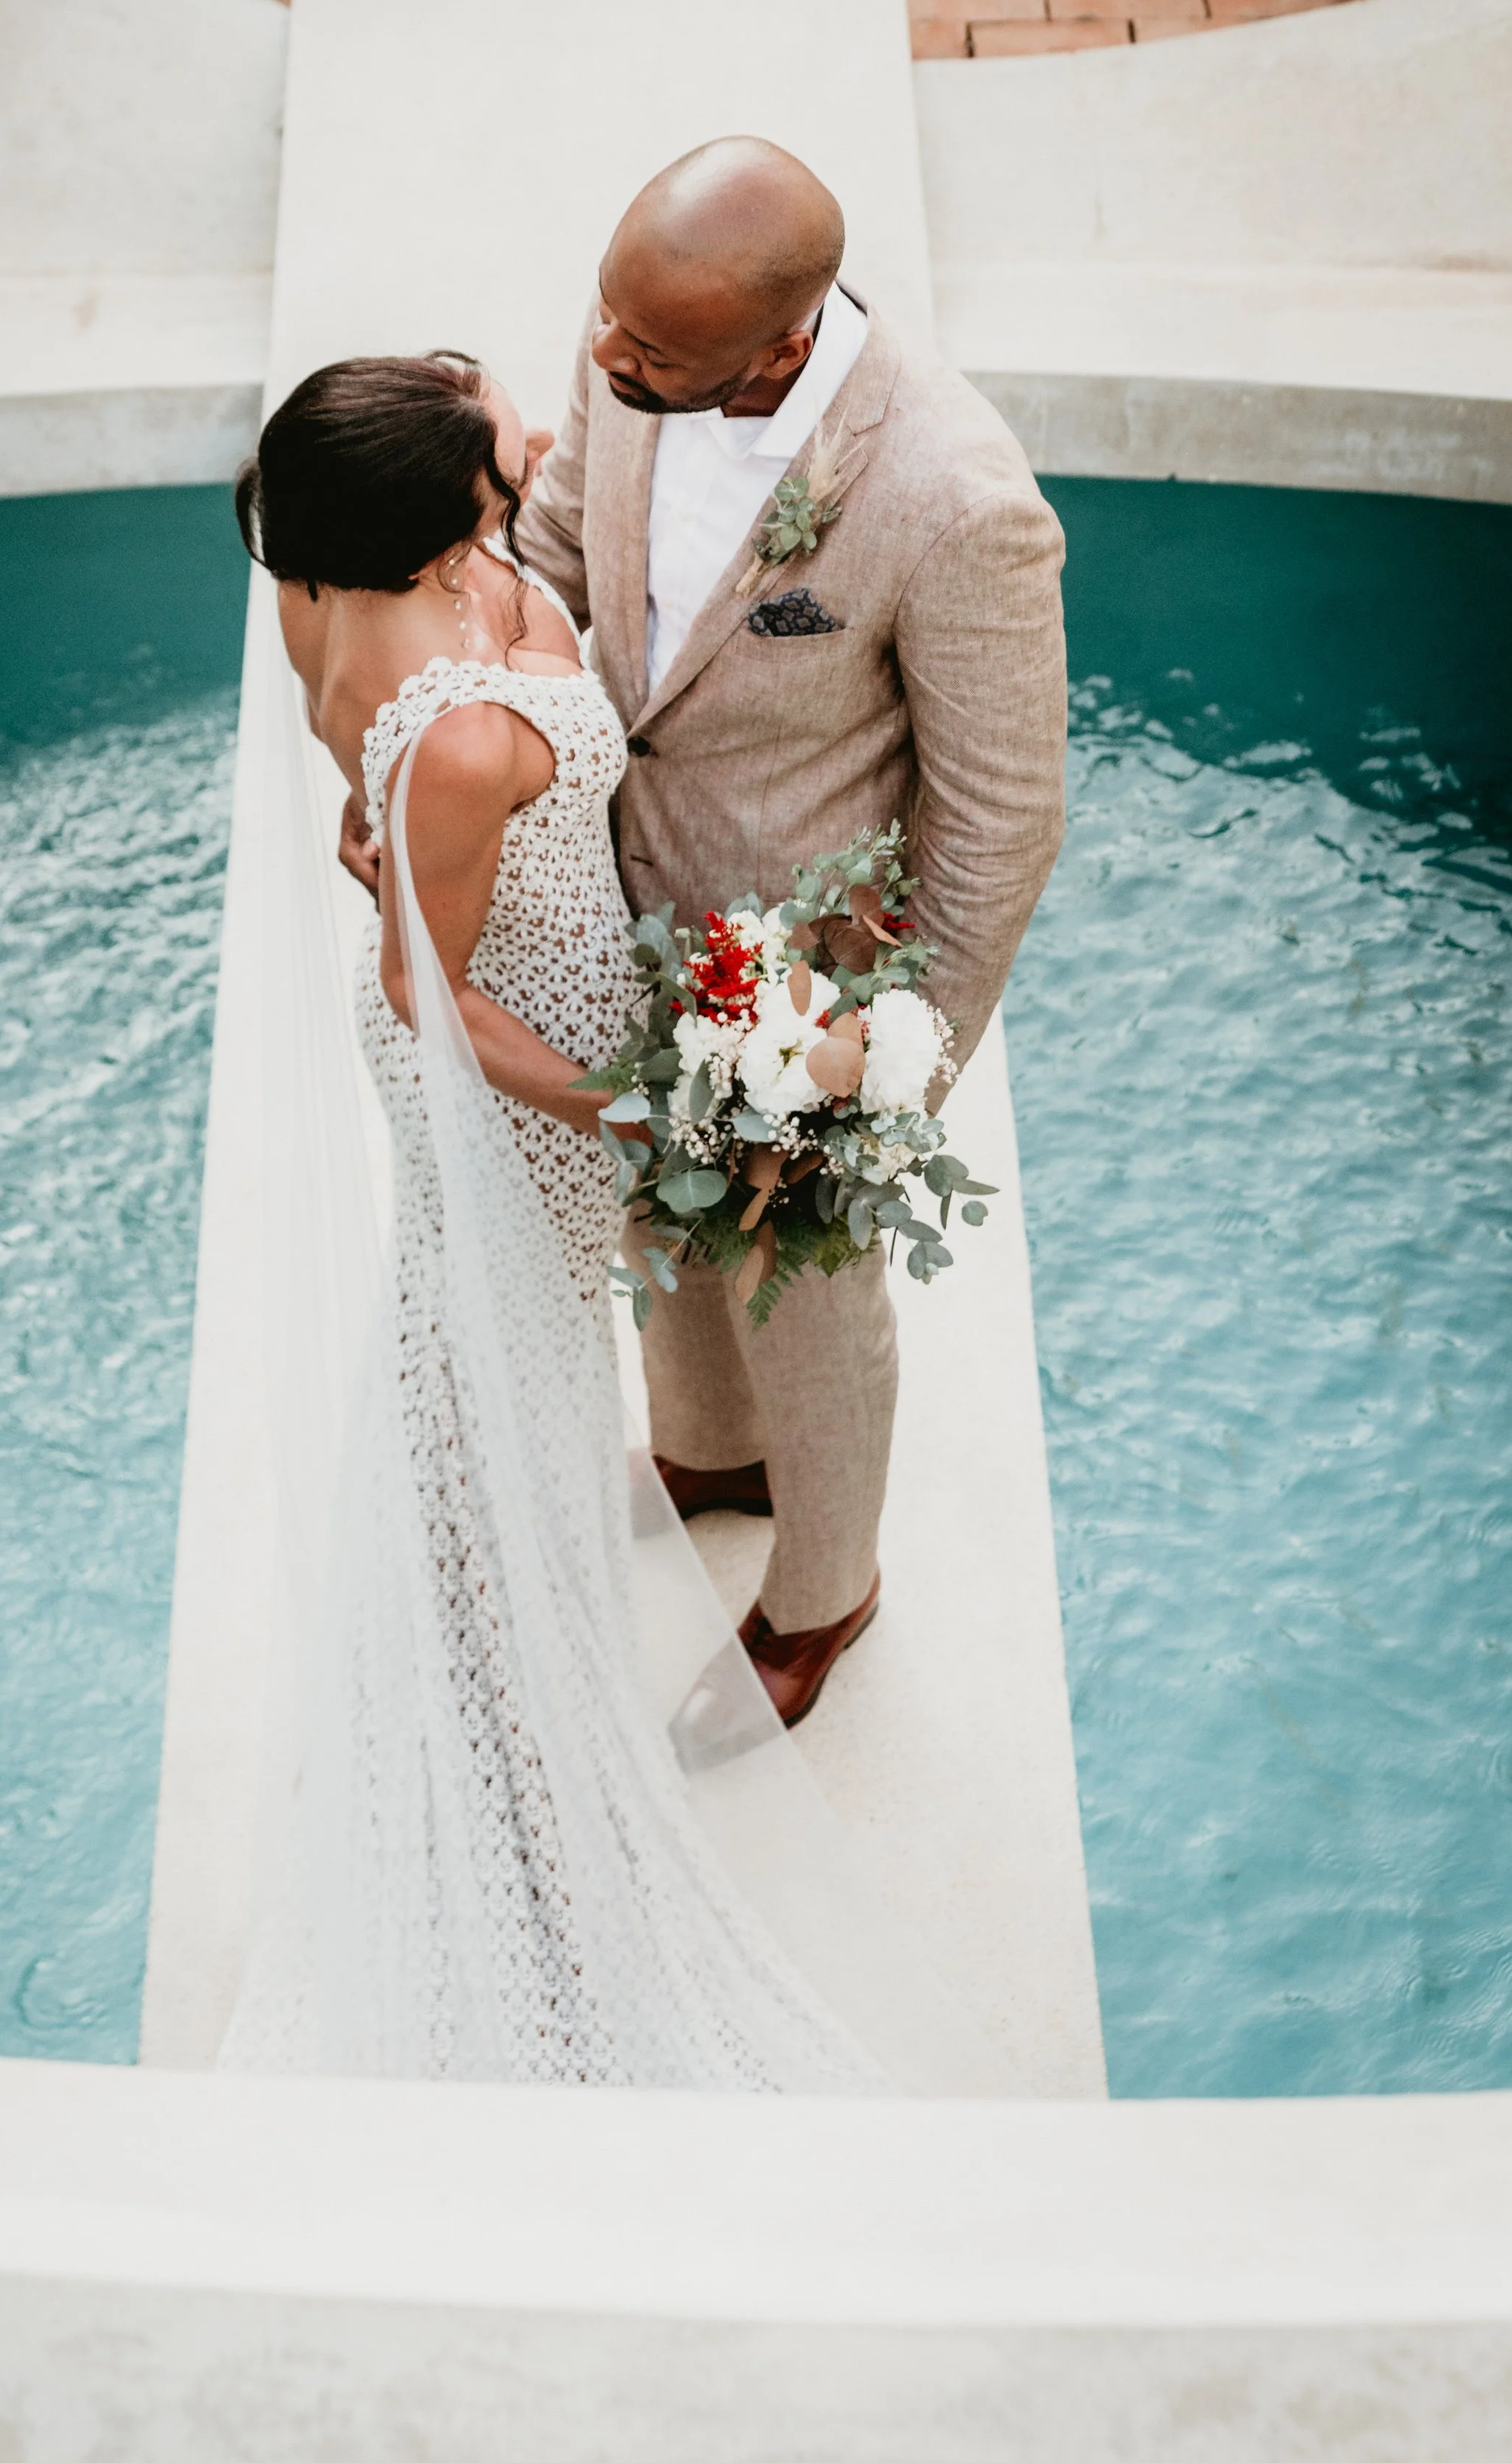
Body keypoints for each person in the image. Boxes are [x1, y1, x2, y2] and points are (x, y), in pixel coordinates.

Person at [222, 349, 1002, 2092]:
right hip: (513, 1089)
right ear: (437, 539)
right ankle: (484, 1712)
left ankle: (495, 1577)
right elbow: (427, 1003)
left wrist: (392, 847)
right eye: (500, 441)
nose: (536, 431)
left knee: (514, 1365)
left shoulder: (366, 583)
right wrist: (640, 1102)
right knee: (479, 1370)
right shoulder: (462, 726)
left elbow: (377, 815)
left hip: (561, 1002)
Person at [505, 136, 1070, 1731]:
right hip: (610, 896)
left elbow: (1000, 818)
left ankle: (823, 1592)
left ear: (776, 344)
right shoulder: (633, 348)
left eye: (648, 353)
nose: (608, 363)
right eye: (605, 330)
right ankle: (706, 1452)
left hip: (807, 984)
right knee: (653, 1216)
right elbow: (551, 551)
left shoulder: (956, 500)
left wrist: (891, 1071)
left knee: (803, 1294)